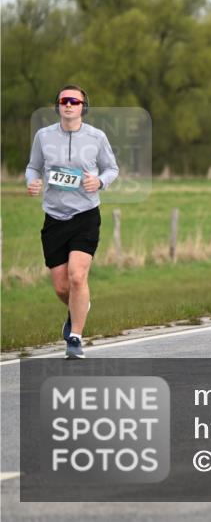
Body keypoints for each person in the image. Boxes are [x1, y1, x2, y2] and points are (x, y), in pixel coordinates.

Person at [26, 85, 119, 359]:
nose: (68, 105)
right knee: (61, 287)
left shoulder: (96, 137)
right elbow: (32, 166)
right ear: (57, 106)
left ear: (83, 107)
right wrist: (31, 181)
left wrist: (99, 181)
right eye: (63, 101)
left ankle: (75, 338)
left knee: (77, 277)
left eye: (74, 101)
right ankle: (79, 306)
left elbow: (112, 168)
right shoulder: (43, 137)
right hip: (54, 217)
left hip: (85, 215)